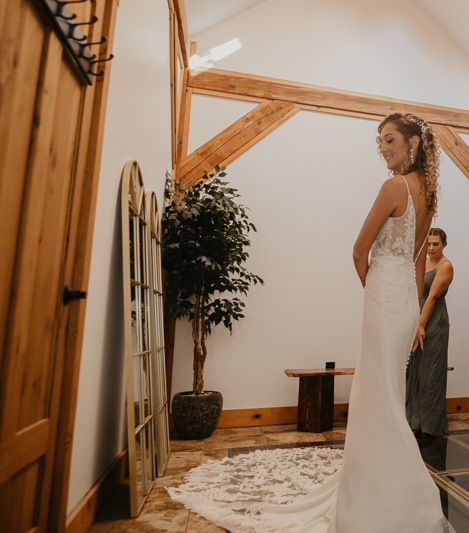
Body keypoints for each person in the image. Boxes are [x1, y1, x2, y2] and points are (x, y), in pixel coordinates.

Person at [170, 113, 450, 532]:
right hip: (406, 305)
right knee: (388, 392)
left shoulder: (393, 187)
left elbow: (359, 251)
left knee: (377, 395)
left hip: (384, 300)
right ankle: (399, 494)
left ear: (412, 143)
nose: (383, 148)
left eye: (390, 139)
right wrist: (411, 311)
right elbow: (415, 263)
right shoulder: (428, 194)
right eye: (380, 141)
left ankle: (378, 492)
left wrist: (375, 292)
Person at [406, 228, 453, 437]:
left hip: (434, 320)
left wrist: (422, 326)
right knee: (415, 370)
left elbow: (432, 297)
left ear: (444, 244)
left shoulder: (446, 266)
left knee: (431, 372)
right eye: (429, 244)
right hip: (417, 317)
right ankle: (414, 421)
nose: (432, 248)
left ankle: (431, 426)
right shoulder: (422, 262)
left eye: (436, 244)